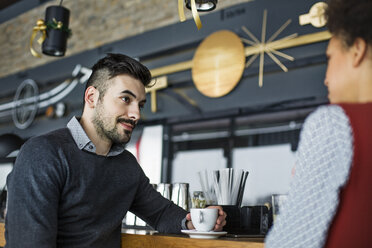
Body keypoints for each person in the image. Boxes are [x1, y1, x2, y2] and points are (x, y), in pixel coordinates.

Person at [5, 53, 227, 247]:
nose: (136, 114)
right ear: (92, 97)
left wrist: (195, 221)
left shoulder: (126, 165)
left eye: (140, 105)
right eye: (125, 99)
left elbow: (161, 213)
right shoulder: (43, 153)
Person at [265, 0, 372, 247]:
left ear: (356, 50)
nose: (325, 78)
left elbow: (290, 243)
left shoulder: (333, 124)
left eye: (330, 58)